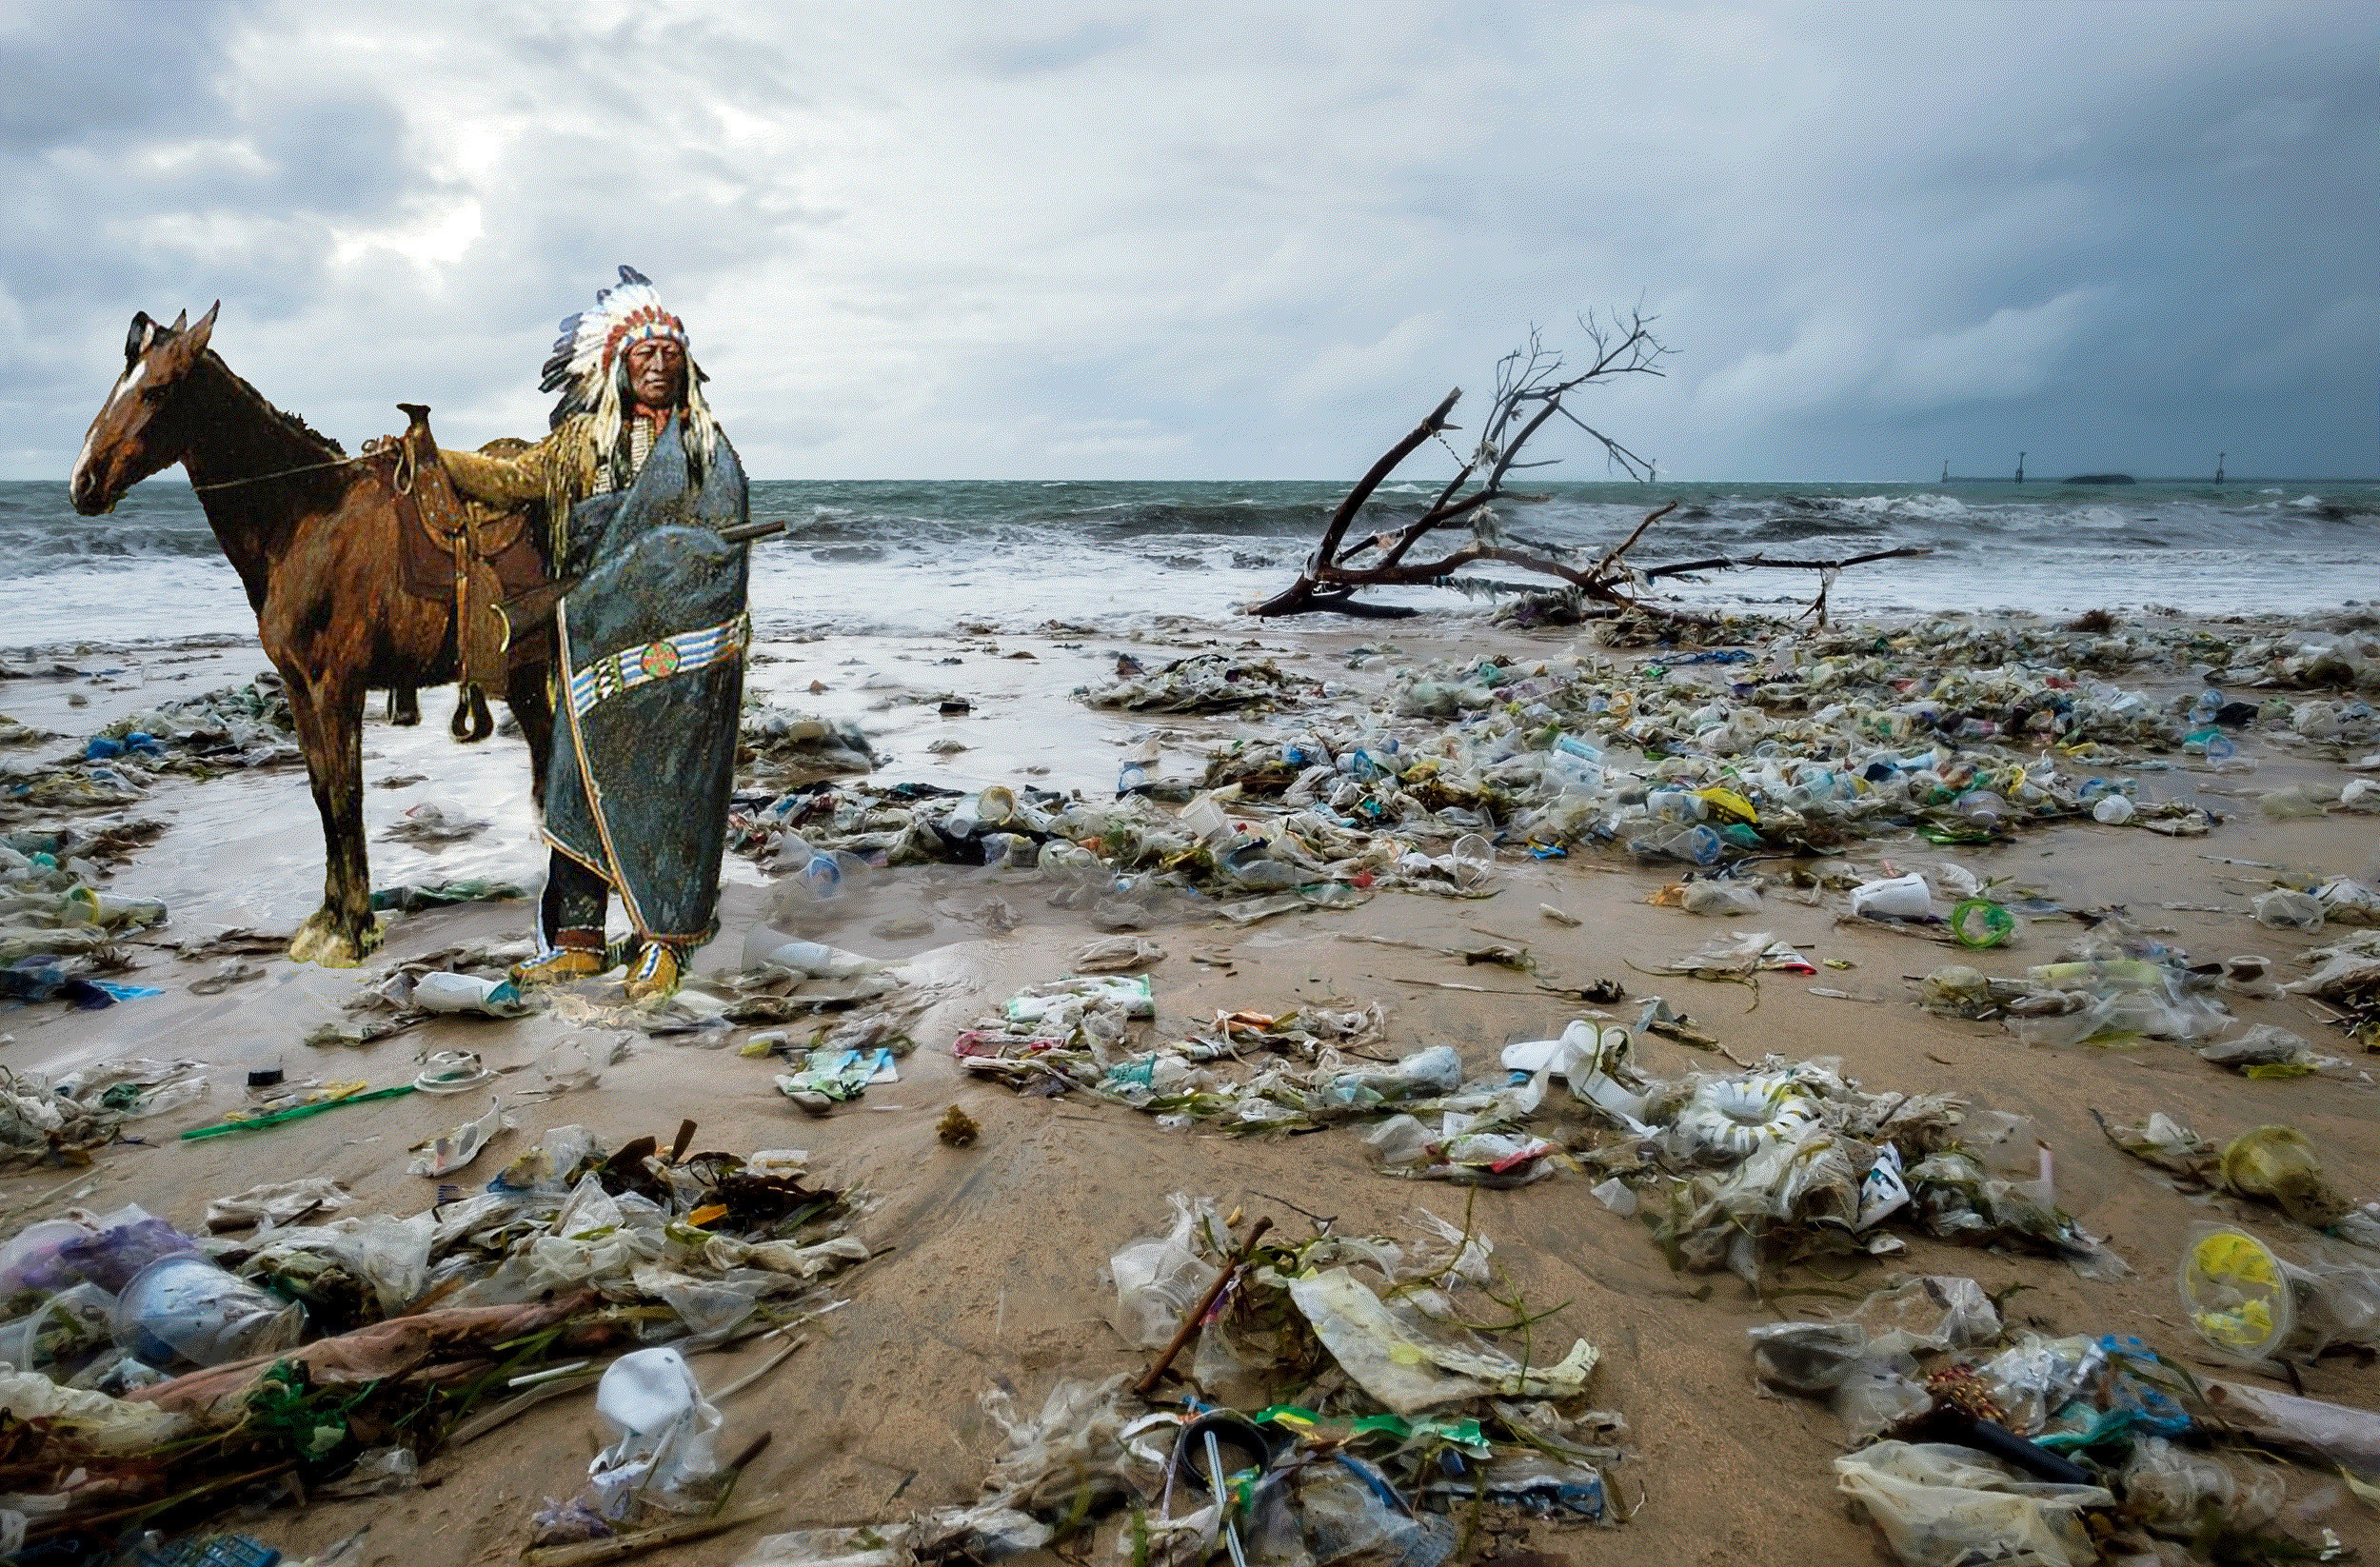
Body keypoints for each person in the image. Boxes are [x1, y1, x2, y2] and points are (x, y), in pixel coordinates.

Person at [443, 267, 750, 1002]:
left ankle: (664, 941)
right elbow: (511, 483)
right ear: (616, 364)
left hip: (679, 663)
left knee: (670, 794)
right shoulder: (582, 442)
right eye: (644, 356)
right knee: (577, 785)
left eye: (670, 356)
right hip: (591, 650)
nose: (657, 366)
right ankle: (579, 942)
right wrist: (430, 458)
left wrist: (656, 561)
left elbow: (719, 548)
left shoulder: (706, 448)